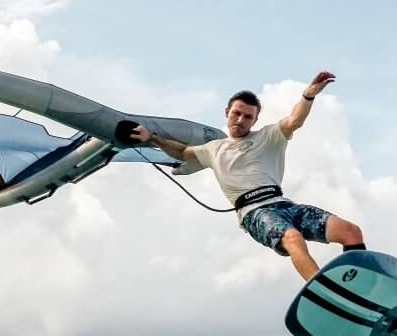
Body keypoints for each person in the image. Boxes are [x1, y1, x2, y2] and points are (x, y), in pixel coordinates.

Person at [130, 71, 365, 282]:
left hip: (284, 204)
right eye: (236, 114)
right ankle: (326, 293)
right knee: (293, 239)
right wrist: (151, 137)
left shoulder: (269, 136)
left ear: (255, 120)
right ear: (227, 112)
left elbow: (294, 120)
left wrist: (308, 95)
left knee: (350, 231)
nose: (240, 120)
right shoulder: (214, 148)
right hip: (254, 212)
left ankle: (360, 286)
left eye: (247, 117)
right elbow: (182, 151)